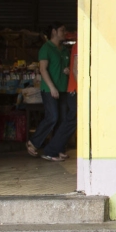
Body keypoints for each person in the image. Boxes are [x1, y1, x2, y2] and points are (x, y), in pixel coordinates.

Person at [27, 23, 70, 161]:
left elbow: (67, 67)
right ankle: (33, 142)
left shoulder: (64, 50)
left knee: (62, 120)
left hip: (63, 88)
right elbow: (43, 69)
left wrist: (68, 70)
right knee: (53, 117)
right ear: (54, 31)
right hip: (49, 89)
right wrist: (52, 87)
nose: (65, 32)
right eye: (62, 30)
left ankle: (57, 149)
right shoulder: (46, 48)